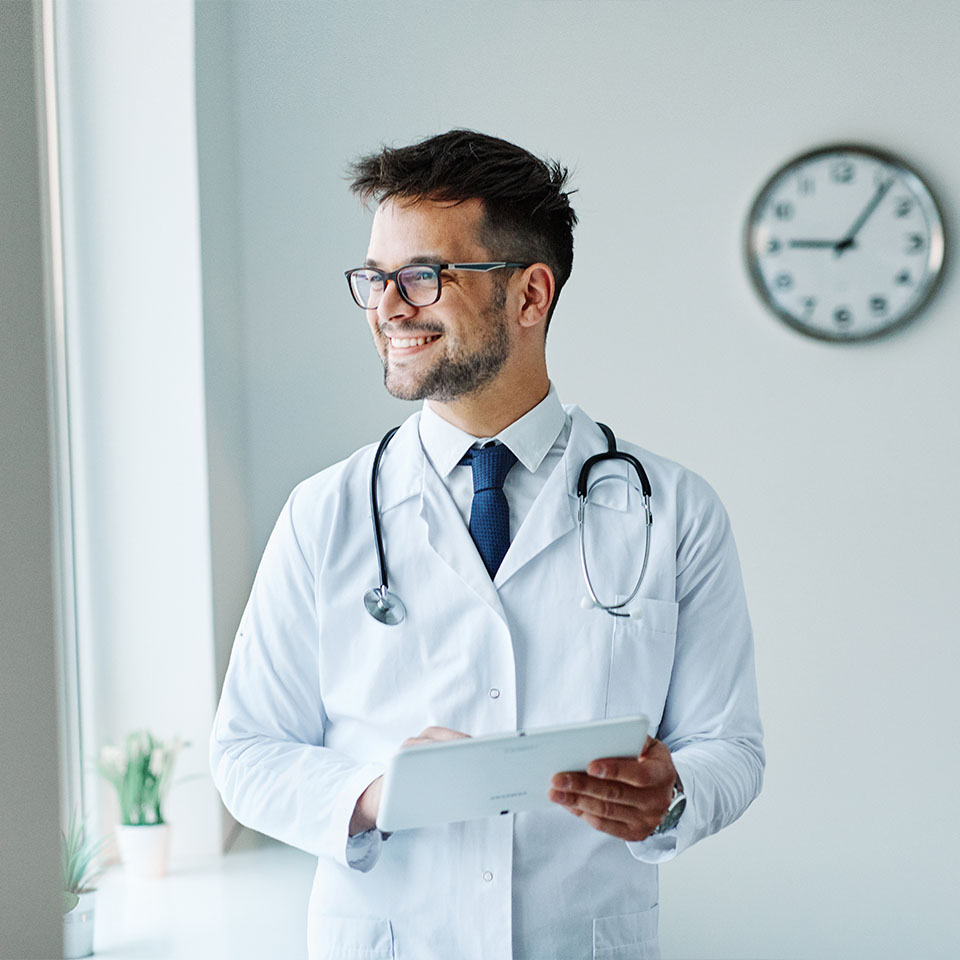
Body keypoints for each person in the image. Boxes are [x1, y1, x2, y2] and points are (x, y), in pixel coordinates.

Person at [210, 129, 764, 960]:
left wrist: (675, 793)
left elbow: (731, 747)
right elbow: (246, 753)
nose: (387, 307)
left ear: (530, 295)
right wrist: (371, 791)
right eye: (374, 278)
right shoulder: (324, 512)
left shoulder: (672, 511)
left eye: (423, 276)